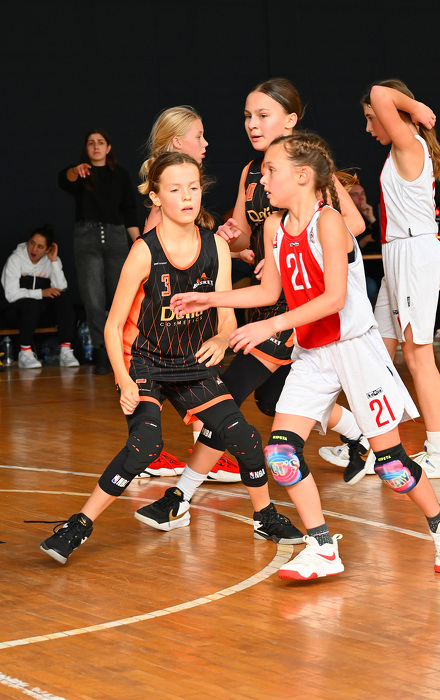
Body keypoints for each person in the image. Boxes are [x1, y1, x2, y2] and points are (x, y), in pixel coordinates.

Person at [170, 131, 440, 581]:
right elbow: (270, 291)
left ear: (303, 175)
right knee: (281, 455)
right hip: (312, 353)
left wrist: (271, 325)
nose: (262, 180)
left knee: (392, 465)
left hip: (356, 350)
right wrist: (210, 299)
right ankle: (323, 546)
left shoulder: (329, 223)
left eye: (271, 171)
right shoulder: (275, 227)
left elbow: (333, 299)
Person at [39, 152, 302, 565]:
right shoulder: (144, 251)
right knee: (145, 445)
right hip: (145, 363)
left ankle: (264, 516)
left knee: (248, 440)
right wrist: (125, 380)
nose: (187, 197)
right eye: (176, 189)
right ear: (156, 197)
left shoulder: (216, 246)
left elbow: (226, 312)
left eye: (193, 188)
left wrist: (221, 337)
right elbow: (112, 326)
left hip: (193, 364)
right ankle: (79, 525)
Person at [183, 78, 371, 489]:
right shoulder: (252, 173)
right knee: (272, 400)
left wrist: (292, 249)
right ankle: (359, 432)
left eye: (262, 115)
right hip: (265, 298)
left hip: (298, 304)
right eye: (247, 116)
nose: (252, 123)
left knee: (227, 392)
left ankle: (183, 490)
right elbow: (245, 238)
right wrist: (234, 239)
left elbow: (354, 225)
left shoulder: (307, 169)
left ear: (290, 120)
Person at [361, 79, 440, 479]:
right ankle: (370, 446)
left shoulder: (408, 144)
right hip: (400, 256)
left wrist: (416, 107)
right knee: (378, 351)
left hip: (413, 254)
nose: (369, 127)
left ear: (395, 115)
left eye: (372, 119)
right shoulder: (399, 150)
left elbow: (379, 92)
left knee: (419, 356)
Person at [134, 105, 240, 482]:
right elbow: (159, 266)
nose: (206, 143)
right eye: (199, 136)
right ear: (178, 142)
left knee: (189, 375)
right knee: (189, 374)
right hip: (159, 320)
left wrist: (225, 249)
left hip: (177, 315)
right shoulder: (161, 208)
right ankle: (167, 452)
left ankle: (159, 450)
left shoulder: (178, 195)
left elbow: (190, 254)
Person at [58, 128, 140, 375]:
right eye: (91, 143)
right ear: (86, 148)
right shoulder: (81, 172)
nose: (96, 147)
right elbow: (64, 180)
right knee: (93, 299)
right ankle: (101, 350)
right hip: (87, 238)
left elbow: (129, 210)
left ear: (108, 147)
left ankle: (124, 349)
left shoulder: (120, 174)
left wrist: (139, 243)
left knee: (120, 297)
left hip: (116, 238)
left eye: (100, 142)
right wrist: (76, 170)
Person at [1, 224, 79, 368]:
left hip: (41, 315)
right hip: (16, 314)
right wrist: (41, 293)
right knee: (31, 304)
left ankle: (66, 351)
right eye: (32, 243)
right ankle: (25, 353)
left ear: (48, 249)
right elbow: (11, 295)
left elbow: (61, 288)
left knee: (64, 299)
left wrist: (54, 261)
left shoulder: (51, 260)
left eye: (40, 246)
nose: (34, 249)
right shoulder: (15, 259)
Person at [348, 182, 384, 302]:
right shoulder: (344, 218)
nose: (361, 198)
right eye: (355, 194)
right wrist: (364, 240)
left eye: (363, 194)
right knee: (370, 285)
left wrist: (371, 218)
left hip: (376, 268)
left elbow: (383, 238)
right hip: (355, 272)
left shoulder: (368, 215)